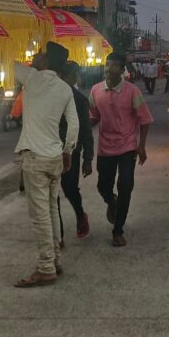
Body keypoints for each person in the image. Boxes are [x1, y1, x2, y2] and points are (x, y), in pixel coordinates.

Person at [13, 42, 79, 287]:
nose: (35, 56)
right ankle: (55, 259)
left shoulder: (31, 78)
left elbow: (7, 63)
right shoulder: (64, 88)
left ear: (47, 61)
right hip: (54, 156)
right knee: (51, 210)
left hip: (35, 157)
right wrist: (67, 150)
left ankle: (45, 266)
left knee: (40, 215)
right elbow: (73, 126)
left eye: (40, 54)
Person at [89, 52, 154, 247]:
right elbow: (93, 116)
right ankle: (112, 202)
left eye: (114, 65)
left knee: (125, 185)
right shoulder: (96, 90)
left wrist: (141, 146)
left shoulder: (132, 91)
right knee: (103, 186)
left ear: (122, 69)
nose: (109, 69)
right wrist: (81, 130)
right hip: (105, 148)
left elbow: (145, 120)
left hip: (127, 147)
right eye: (107, 64)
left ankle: (118, 230)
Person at [59, 61, 95, 241]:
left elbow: (86, 131)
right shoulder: (49, 98)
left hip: (71, 151)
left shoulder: (79, 100)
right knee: (51, 195)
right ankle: (58, 237)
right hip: (49, 151)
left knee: (69, 189)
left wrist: (88, 158)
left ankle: (80, 215)